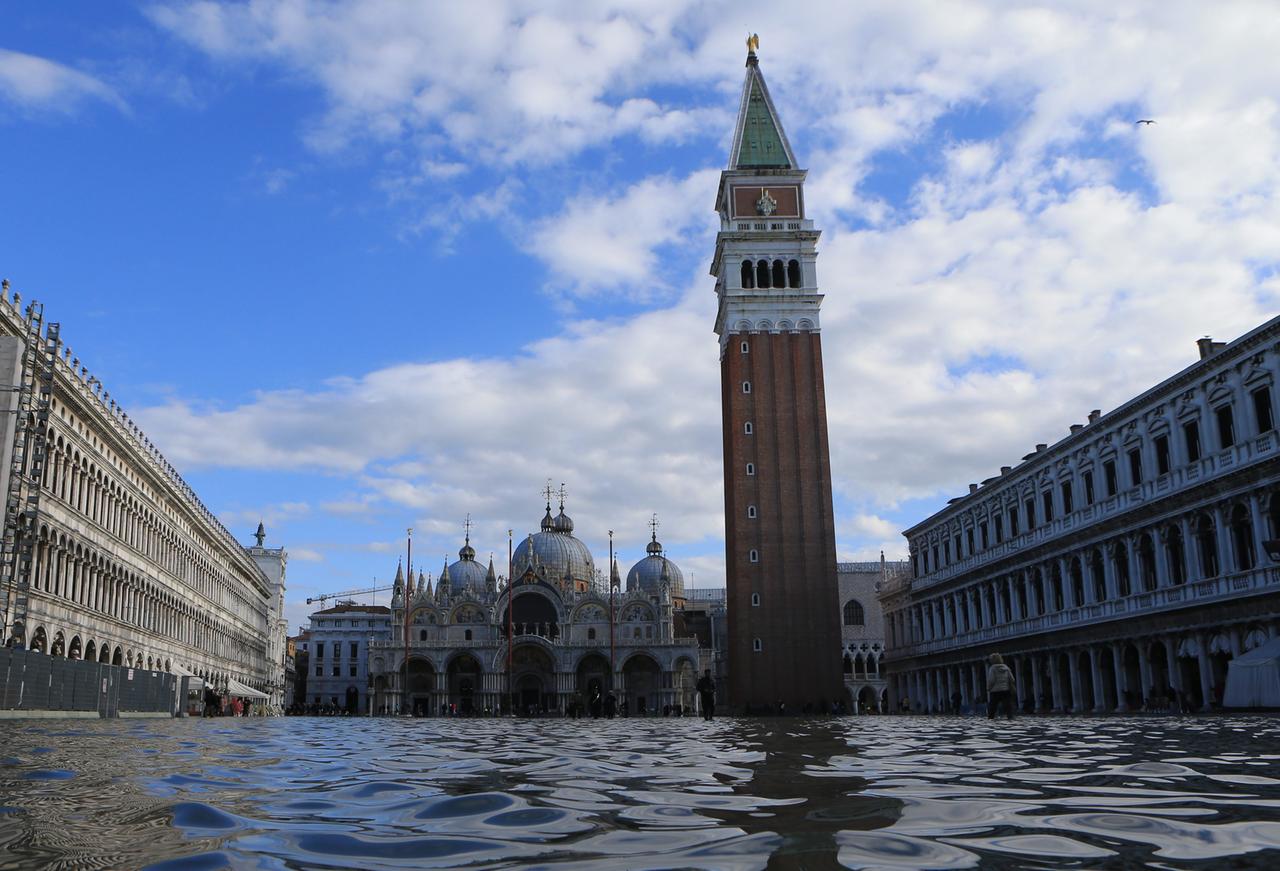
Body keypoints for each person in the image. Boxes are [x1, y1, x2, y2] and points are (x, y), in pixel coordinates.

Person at [986, 653, 1015, 720]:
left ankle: (991, 719)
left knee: (992, 708)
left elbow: (991, 680)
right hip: (1006, 690)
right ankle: (1010, 718)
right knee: (1008, 707)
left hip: (995, 691)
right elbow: (1012, 679)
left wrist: (988, 688)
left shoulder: (992, 668)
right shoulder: (1006, 668)